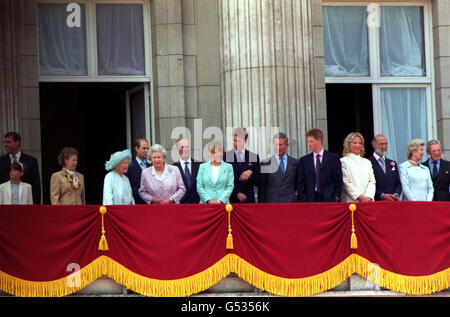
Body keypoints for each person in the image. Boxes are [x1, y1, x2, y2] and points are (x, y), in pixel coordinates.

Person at [297, 129, 342, 202]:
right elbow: (301, 182)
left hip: (329, 198)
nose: (309, 144)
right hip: (310, 199)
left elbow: (338, 179)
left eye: (311, 141)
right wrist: (303, 199)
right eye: (308, 141)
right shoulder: (304, 160)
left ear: (319, 140)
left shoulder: (333, 158)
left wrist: (336, 196)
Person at [0, 131, 41, 204]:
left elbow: (36, 186)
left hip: (25, 205)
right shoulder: (1, 161)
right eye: (5, 142)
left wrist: (36, 207)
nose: (5, 145)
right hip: (5, 206)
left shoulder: (31, 161)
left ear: (17, 142)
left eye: (9, 142)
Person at [223, 127, 260, 203]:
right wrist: (237, 193)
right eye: (234, 141)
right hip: (232, 200)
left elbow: (259, 181)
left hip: (249, 200)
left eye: (239, 141)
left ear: (245, 140)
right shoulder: (226, 156)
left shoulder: (253, 156)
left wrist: (251, 174)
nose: (236, 144)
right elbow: (224, 180)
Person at [259, 133, 298, 203]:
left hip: (291, 203)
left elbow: (299, 184)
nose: (278, 147)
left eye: (280, 145)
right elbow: (262, 188)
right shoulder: (265, 163)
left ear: (287, 145)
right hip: (272, 203)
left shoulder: (295, 162)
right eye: (276, 144)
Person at [340, 132, 376, 203]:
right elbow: (345, 182)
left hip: (368, 202)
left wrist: (368, 197)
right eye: (355, 143)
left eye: (360, 143)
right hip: (351, 202)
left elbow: (372, 181)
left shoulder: (367, 162)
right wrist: (360, 197)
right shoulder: (343, 161)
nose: (358, 145)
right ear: (348, 144)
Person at [197, 140, 234, 204]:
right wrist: (208, 200)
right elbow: (199, 186)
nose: (215, 155)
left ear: (222, 153)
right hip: (205, 204)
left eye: (217, 152)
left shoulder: (228, 167)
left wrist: (220, 201)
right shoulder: (202, 167)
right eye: (213, 152)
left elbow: (230, 186)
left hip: (223, 204)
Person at [368, 134, 402, 201]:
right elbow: (368, 184)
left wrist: (396, 194)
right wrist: (381, 195)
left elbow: (398, 183)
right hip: (377, 203)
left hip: (393, 203)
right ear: (374, 145)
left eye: (386, 144)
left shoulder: (392, 163)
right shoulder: (368, 163)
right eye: (381, 144)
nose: (384, 146)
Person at [172, 138, 201, 204]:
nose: (185, 149)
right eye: (182, 147)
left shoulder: (200, 166)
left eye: (187, 147)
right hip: (181, 205)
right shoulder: (173, 167)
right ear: (177, 149)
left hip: (198, 204)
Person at [125, 138, 150, 204]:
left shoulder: (151, 166)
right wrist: (141, 191)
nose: (146, 151)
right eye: (144, 148)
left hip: (151, 204)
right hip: (137, 204)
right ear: (137, 149)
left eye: (148, 148)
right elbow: (127, 188)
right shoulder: (129, 167)